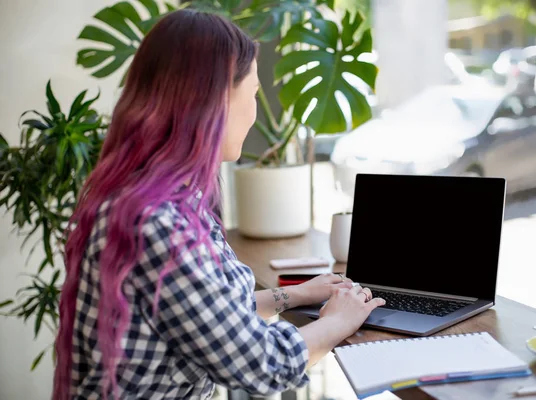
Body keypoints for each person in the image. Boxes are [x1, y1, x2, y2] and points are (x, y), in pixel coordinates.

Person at [52, 9, 385, 400]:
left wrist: (296, 295)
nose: (254, 111)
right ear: (215, 101)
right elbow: (263, 365)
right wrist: (338, 321)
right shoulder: (157, 221)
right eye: (254, 94)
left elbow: (207, 310)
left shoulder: (158, 198)